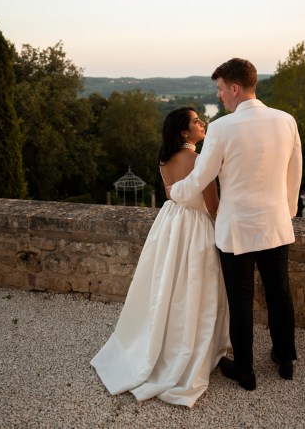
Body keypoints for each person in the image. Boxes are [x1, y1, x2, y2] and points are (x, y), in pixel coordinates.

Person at [170, 58, 302, 391]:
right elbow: (294, 173)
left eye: (220, 89)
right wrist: (286, 212)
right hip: (275, 225)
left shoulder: (223, 128)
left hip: (236, 230)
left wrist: (175, 193)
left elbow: (202, 176)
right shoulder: (286, 121)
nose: (220, 97)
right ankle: (285, 360)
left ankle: (246, 371)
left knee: (240, 300)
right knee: (279, 292)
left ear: (234, 88)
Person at [90, 107, 229, 408]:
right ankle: (189, 348)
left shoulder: (164, 159)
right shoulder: (199, 160)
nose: (201, 123)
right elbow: (213, 205)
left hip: (170, 225)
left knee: (166, 286)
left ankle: (159, 343)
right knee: (194, 289)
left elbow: (171, 195)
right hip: (194, 227)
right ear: (184, 132)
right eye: (195, 121)